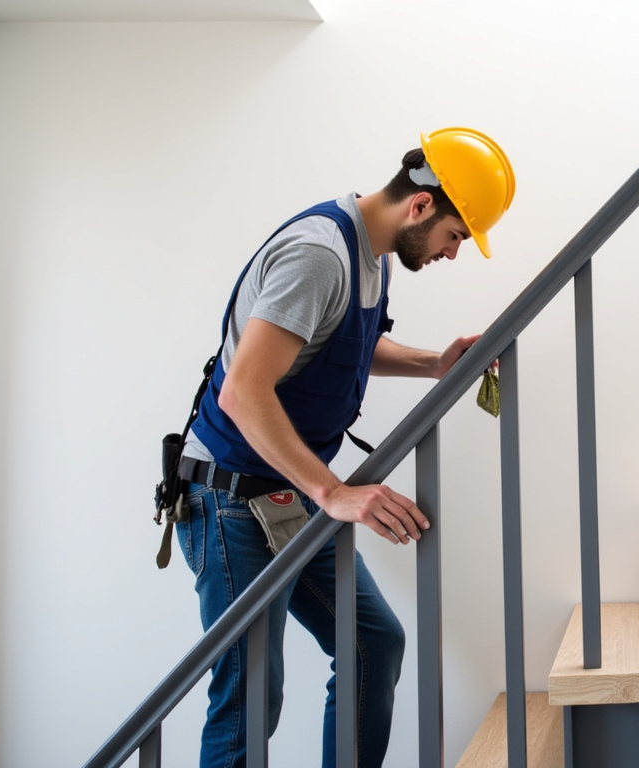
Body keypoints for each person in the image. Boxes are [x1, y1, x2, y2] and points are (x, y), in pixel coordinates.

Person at [173, 128, 515, 768]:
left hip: (284, 489)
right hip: (229, 498)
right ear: (421, 206)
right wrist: (333, 492)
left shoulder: (373, 254)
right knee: (249, 701)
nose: (452, 253)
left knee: (373, 644)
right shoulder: (319, 255)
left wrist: (435, 364)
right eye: (455, 237)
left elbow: (339, 344)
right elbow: (244, 393)